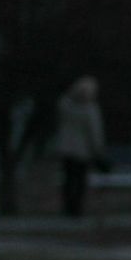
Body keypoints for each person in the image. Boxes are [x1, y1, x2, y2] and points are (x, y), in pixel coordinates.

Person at [55, 76, 106, 217]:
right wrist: (98, 151)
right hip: (83, 151)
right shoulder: (90, 110)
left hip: (66, 149)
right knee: (79, 181)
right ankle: (76, 209)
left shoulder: (65, 105)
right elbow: (95, 133)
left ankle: (67, 208)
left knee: (69, 180)